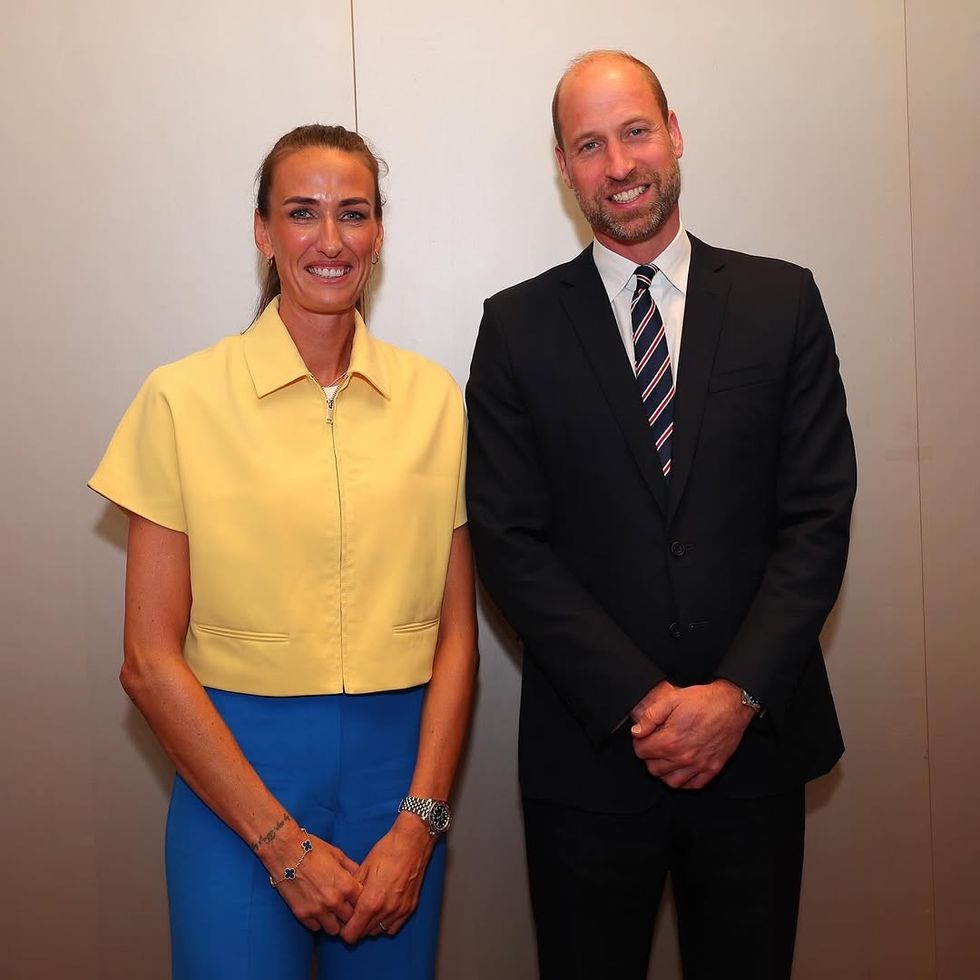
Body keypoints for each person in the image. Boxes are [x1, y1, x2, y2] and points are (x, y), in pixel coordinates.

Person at [465, 51, 856, 980]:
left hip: (754, 751)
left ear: (675, 134)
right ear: (564, 167)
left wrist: (736, 698)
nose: (618, 164)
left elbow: (818, 517)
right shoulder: (515, 328)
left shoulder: (782, 300)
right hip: (589, 765)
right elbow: (510, 542)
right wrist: (644, 705)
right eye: (589, 144)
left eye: (635, 132)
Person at [89, 124, 477, 980]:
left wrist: (420, 823)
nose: (330, 240)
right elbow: (149, 661)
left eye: (355, 214)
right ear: (263, 233)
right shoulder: (181, 399)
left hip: (399, 803)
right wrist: (277, 839)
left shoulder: (436, 400)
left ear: (379, 234)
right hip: (235, 798)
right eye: (302, 214)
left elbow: (457, 637)